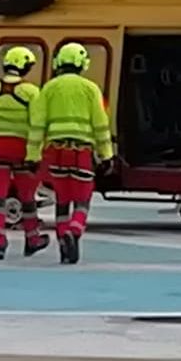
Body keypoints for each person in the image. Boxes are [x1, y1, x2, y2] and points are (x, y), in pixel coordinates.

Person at [26, 42, 114, 264]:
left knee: (62, 199)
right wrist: (106, 155)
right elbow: (101, 125)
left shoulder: (49, 88)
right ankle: (74, 231)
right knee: (82, 199)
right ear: (82, 63)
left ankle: (64, 245)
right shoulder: (91, 89)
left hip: (55, 152)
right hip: (81, 152)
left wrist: (33, 156)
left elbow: (37, 125)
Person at [0, 46, 49, 260]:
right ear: (25, 67)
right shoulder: (31, 92)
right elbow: (37, 124)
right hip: (22, 149)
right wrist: (34, 154)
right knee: (27, 197)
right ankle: (32, 239)